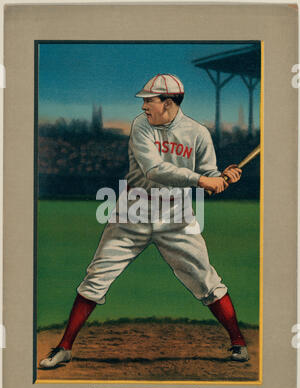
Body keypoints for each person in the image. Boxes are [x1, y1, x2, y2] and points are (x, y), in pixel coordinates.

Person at [39, 73, 248, 369]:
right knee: (96, 276)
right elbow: (154, 170)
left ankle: (238, 342)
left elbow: (209, 176)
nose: (143, 107)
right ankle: (64, 348)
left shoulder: (198, 133)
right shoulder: (141, 126)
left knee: (206, 280)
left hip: (177, 216)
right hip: (133, 212)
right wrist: (202, 180)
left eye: (149, 101)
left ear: (169, 102)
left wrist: (222, 178)